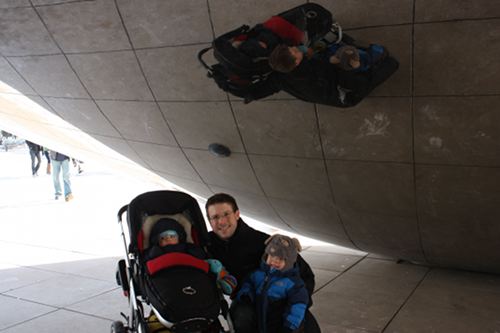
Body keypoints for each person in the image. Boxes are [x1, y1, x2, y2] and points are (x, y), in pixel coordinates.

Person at [205, 193, 320, 332]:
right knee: (242, 317)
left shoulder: (263, 242)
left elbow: (306, 274)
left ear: (237, 214)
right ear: (209, 221)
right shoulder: (207, 244)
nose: (222, 222)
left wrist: (296, 301)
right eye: (215, 217)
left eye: (226, 214)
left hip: (278, 298)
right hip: (246, 299)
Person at [244, 43, 398, 108]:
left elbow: (267, 87)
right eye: (296, 51)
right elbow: (344, 79)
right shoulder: (316, 72)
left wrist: (251, 94)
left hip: (330, 84)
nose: (296, 48)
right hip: (345, 95)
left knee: (327, 50)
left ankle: (367, 62)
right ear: (297, 62)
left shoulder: (279, 76)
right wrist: (347, 65)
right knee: (387, 65)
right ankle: (373, 61)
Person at [235, 234, 309, 333]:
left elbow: (298, 305)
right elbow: (248, 284)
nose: (274, 261)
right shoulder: (257, 274)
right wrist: (246, 294)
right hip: (260, 318)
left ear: (289, 261)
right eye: (272, 256)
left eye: (280, 258)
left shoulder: (293, 283)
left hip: (279, 324)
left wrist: (290, 325)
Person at [147, 217, 237, 295]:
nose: (168, 239)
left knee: (214, 264)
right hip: (168, 278)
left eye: (172, 236)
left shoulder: (188, 248)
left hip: (191, 274)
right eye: (163, 238)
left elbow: (200, 257)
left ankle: (223, 279)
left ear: (179, 237)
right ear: (157, 241)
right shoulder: (156, 251)